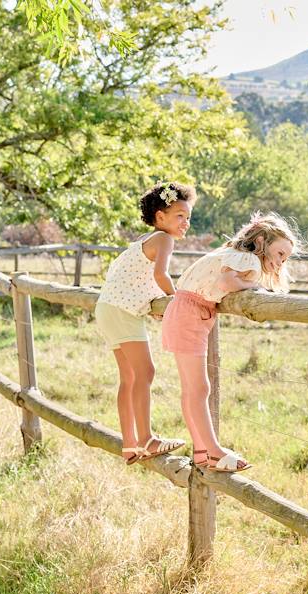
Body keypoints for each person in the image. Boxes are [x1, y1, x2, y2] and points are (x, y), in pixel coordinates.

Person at [162, 211, 299, 472]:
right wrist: (254, 289)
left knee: (193, 389)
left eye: (286, 258)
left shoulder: (229, 253)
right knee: (199, 388)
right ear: (261, 242)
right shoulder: (249, 260)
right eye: (280, 254)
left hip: (185, 310)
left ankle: (202, 450)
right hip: (191, 313)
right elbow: (226, 282)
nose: (282, 262)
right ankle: (213, 451)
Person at [95, 182, 196, 465]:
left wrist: (151, 300)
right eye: (179, 215)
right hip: (123, 312)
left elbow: (137, 277)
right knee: (146, 372)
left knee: (129, 377)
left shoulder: (143, 240)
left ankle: (130, 444)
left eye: (188, 217)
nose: (185, 222)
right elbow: (161, 276)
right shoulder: (164, 240)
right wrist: (177, 303)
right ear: (160, 217)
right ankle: (147, 438)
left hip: (107, 309)